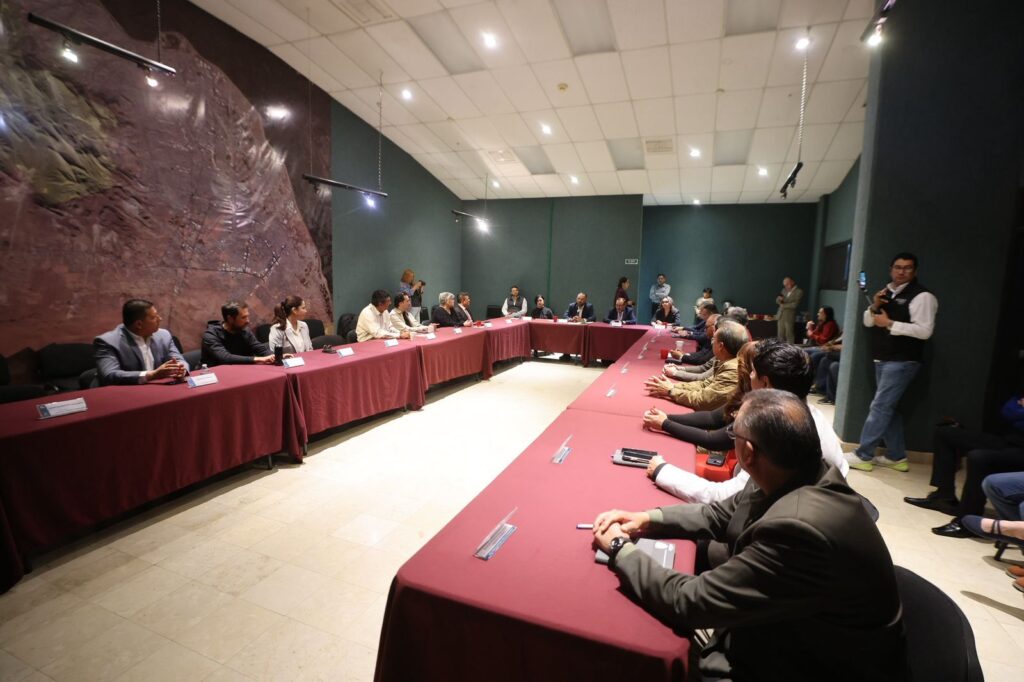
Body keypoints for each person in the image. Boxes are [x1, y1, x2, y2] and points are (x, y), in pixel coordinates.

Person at [592, 390, 906, 682]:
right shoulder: (793, 470)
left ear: (748, 452)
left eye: (734, 434)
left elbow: (692, 601)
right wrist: (648, 518)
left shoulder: (797, 531)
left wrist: (620, 549)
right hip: (796, 634)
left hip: (809, 665)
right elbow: (719, 514)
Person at [643, 339, 848, 504]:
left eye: (753, 372)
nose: (749, 376)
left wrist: (662, 471)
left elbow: (726, 498)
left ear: (765, 383)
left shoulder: (778, 432)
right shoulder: (809, 415)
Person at [847, 252, 938, 472]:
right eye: (898, 267)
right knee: (888, 409)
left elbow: (925, 331)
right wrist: (875, 305)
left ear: (914, 271)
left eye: (907, 268)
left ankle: (864, 455)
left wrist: (890, 324)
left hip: (903, 361)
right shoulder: (886, 292)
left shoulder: (923, 296)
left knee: (880, 407)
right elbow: (868, 322)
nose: (901, 272)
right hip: (883, 359)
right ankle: (897, 456)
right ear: (891, 269)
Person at [903, 395, 1024, 538]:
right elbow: (1008, 410)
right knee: (945, 433)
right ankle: (944, 497)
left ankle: (967, 521)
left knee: (978, 458)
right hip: (1011, 439)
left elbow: (1015, 412)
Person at [644, 319, 745, 410]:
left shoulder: (732, 370)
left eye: (714, 339)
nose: (711, 342)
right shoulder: (724, 360)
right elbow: (703, 384)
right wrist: (674, 386)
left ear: (721, 346)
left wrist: (671, 391)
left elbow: (702, 401)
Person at [94, 299, 188, 385]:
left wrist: (181, 370)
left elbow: (180, 360)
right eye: (154, 317)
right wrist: (152, 375)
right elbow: (109, 375)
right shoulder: (108, 342)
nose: (160, 319)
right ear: (139, 324)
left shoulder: (163, 335)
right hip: (125, 392)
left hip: (157, 390)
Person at [202, 301, 277, 366]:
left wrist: (275, 356)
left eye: (247, 316)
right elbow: (224, 358)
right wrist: (258, 359)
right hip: (215, 374)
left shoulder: (245, 331)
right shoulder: (211, 335)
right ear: (230, 319)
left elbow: (261, 350)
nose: (248, 321)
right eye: (243, 317)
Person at [775, 276, 804, 343]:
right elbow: (777, 300)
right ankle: (780, 348)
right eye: (785, 285)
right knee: (780, 335)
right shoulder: (784, 290)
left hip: (789, 316)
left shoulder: (799, 292)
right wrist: (780, 300)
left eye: (787, 284)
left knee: (789, 334)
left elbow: (794, 305)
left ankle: (790, 348)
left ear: (792, 282)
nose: (786, 286)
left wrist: (783, 305)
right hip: (780, 315)